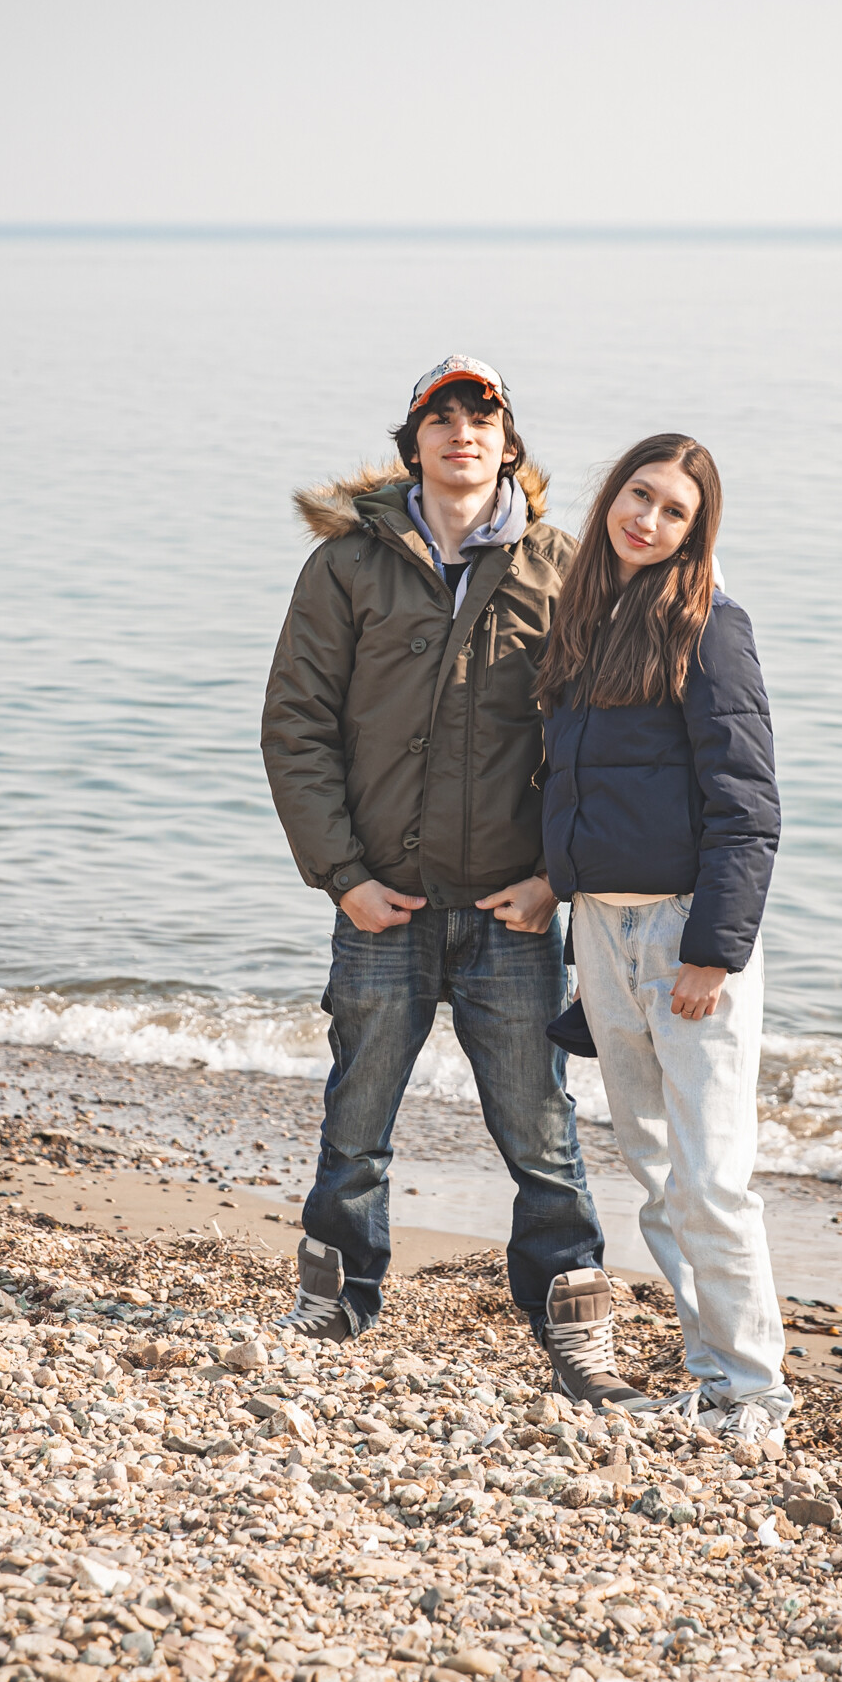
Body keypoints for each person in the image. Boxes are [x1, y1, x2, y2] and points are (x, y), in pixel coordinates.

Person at [260, 355, 646, 1406]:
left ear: (509, 444)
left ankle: (574, 1327)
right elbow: (296, 727)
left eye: (483, 414)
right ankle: (333, 1302)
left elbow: (605, 745)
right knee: (355, 1125)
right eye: (442, 415)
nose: (463, 429)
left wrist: (554, 879)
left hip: (511, 915)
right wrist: (343, 876)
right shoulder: (347, 566)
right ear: (414, 443)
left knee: (542, 1134)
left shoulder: (566, 569)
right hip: (380, 906)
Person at [536, 433, 791, 1448]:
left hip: (686, 934)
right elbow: (571, 783)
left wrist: (714, 952)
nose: (647, 518)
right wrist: (552, 888)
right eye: (638, 495)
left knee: (712, 1177)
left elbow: (748, 804)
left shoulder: (712, 626)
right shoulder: (586, 621)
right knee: (654, 1169)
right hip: (601, 931)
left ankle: (756, 1392)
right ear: (612, 496)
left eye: (673, 510)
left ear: (697, 531)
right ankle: (712, 1379)